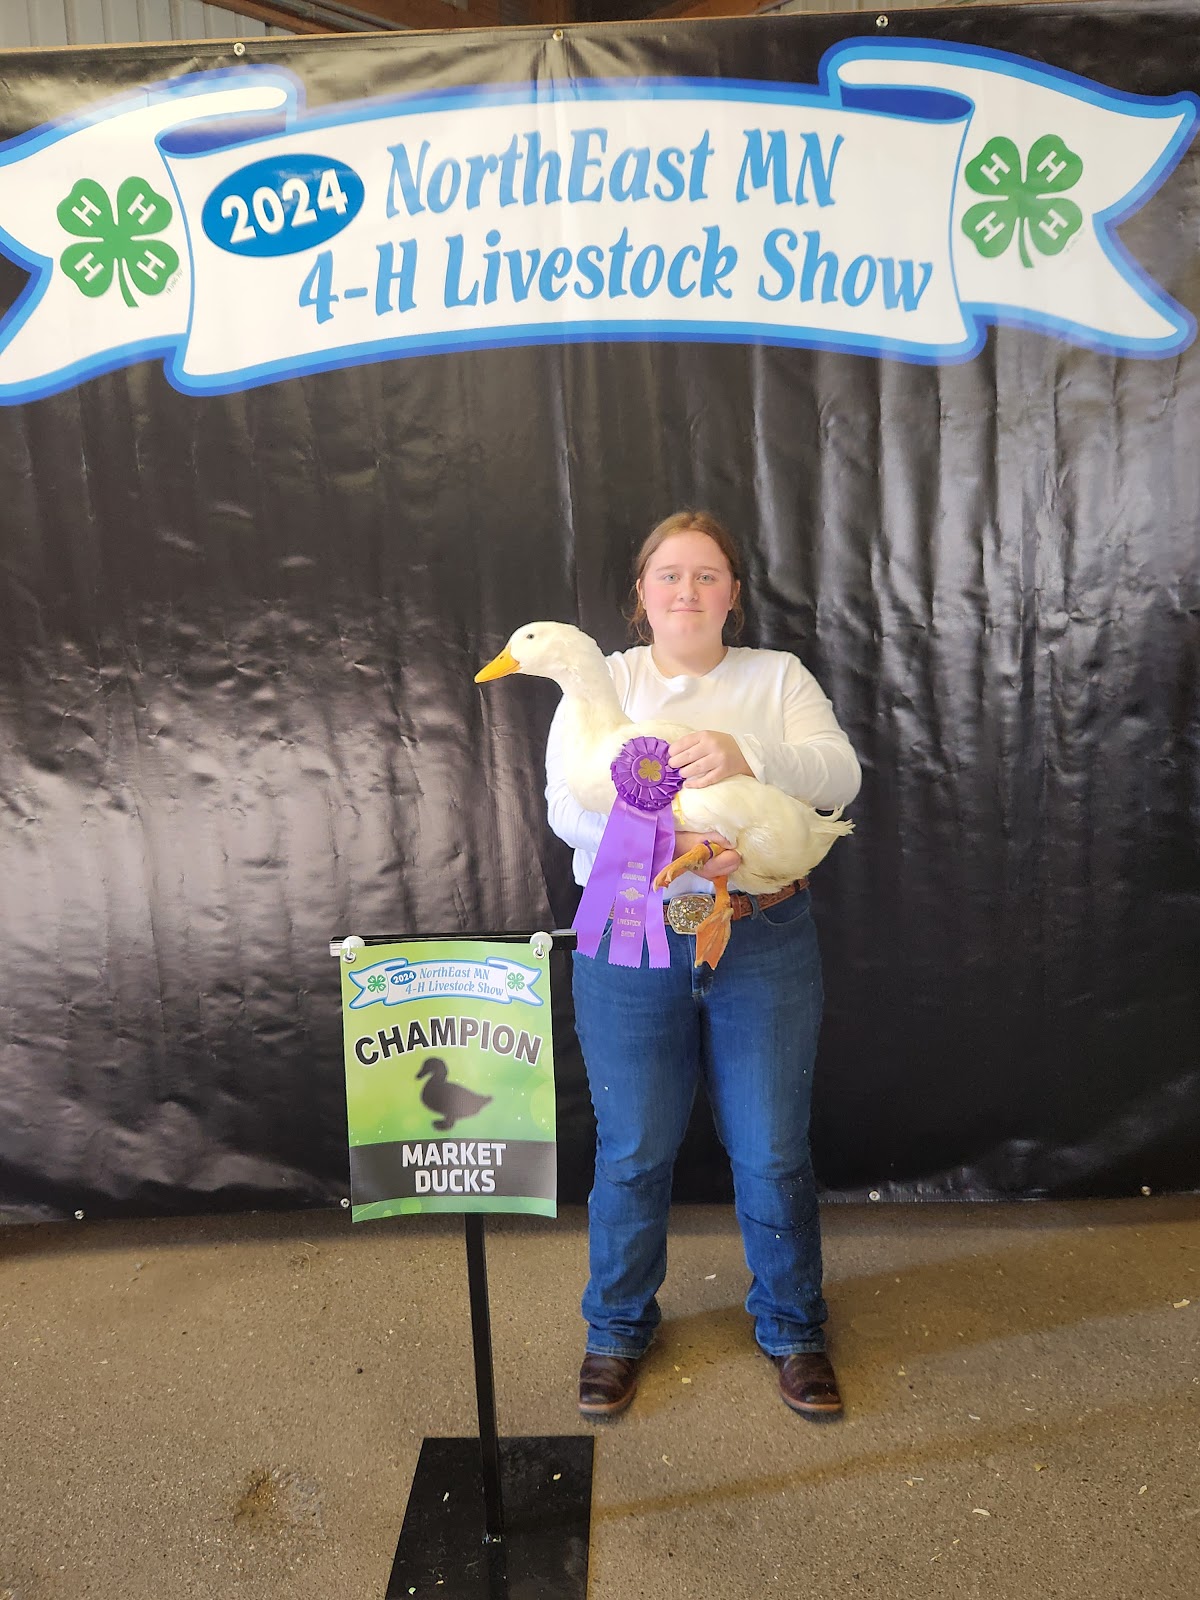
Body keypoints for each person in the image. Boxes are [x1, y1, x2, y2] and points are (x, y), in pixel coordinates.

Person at [544, 510, 861, 1421]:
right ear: (641, 596)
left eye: (708, 575)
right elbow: (570, 811)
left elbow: (839, 777)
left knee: (769, 1147)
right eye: (669, 575)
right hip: (629, 933)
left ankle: (795, 1328)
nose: (688, 591)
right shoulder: (602, 682)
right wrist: (671, 839)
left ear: (733, 592)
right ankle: (615, 1327)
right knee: (636, 1147)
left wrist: (745, 753)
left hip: (762, 932)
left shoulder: (776, 679)